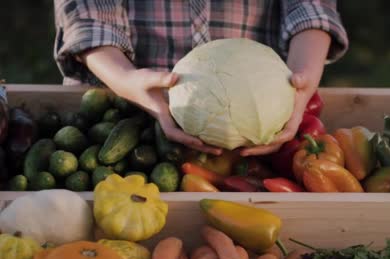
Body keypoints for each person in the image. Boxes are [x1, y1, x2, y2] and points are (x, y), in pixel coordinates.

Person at [53, 0, 349, 156]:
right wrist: (125, 79)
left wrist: (303, 76)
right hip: (121, 108)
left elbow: (312, 6)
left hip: (263, 140)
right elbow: (88, 17)